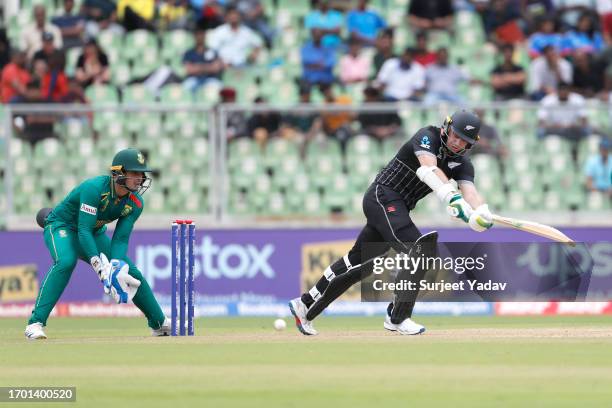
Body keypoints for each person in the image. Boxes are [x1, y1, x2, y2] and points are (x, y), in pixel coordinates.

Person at [288, 110, 494, 335]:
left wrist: (481, 213)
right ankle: (397, 317)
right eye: (455, 135)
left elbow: (471, 193)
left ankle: (305, 305)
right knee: (420, 249)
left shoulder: (463, 164)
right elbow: (428, 168)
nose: (457, 143)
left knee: (359, 264)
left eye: (464, 141)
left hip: (397, 208)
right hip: (382, 195)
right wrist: (452, 197)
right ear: (446, 128)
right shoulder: (427, 136)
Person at [24, 148, 169, 340]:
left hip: (93, 233)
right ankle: (35, 324)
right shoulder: (94, 188)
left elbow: (120, 238)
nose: (140, 178)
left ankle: (159, 323)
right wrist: (99, 265)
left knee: (129, 271)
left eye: (141, 174)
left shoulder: (135, 203)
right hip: (63, 226)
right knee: (66, 261)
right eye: (134, 173)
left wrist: (115, 265)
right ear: (118, 173)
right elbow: (83, 229)